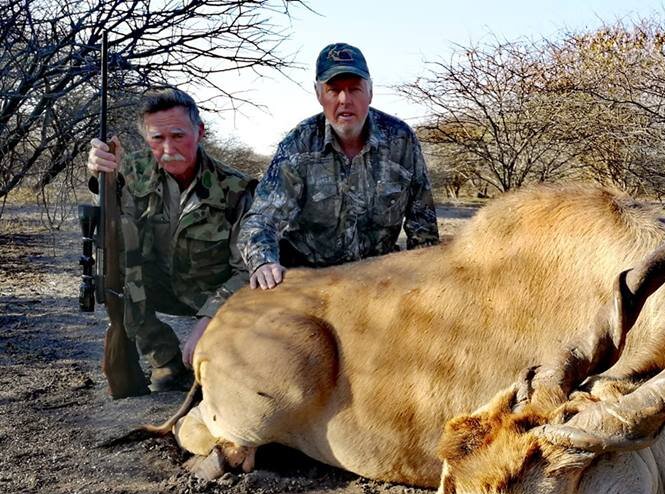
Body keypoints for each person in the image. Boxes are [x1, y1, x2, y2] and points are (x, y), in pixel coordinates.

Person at [87, 88, 257, 392]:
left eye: (178, 136)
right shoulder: (131, 172)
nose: (168, 148)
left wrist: (208, 320)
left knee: (228, 374)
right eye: (157, 139)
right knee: (115, 272)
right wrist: (100, 178)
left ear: (200, 132)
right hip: (156, 285)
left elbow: (245, 270)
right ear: (146, 139)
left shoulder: (237, 188)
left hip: (211, 292)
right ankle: (164, 360)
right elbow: (112, 233)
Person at [238, 43, 439, 290]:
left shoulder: (401, 139)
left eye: (355, 89)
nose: (345, 100)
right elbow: (260, 220)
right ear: (318, 94)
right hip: (310, 283)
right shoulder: (298, 144)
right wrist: (263, 261)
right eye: (333, 90)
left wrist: (424, 280)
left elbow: (423, 224)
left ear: (370, 92)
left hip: (379, 283)